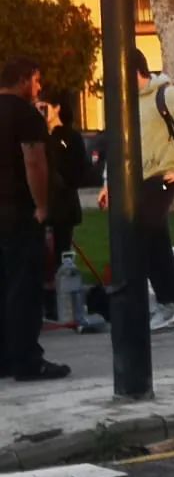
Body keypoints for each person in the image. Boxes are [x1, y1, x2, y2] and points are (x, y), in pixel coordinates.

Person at [100, 51, 174, 332]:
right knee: (154, 237)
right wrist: (108, 183)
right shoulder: (125, 103)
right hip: (138, 180)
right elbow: (116, 145)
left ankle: (170, 303)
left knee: (145, 230)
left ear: (134, 71)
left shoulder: (166, 95)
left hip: (163, 176)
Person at [0, 57, 68, 381]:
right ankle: (27, 359)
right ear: (25, 79)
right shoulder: (26, 116)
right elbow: (34, 163)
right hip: (18, 213)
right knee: (22, 288)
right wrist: (41, 207)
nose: (39, 87)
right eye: (37, 80)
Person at [39, 91, 86, 320]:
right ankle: (45, 300)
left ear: (56, 108)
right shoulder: (40, 135)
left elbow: (76, 169)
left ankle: (60, 302)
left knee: (60, 252)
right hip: (43, 203)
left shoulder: (68, 137)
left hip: (62, 205)